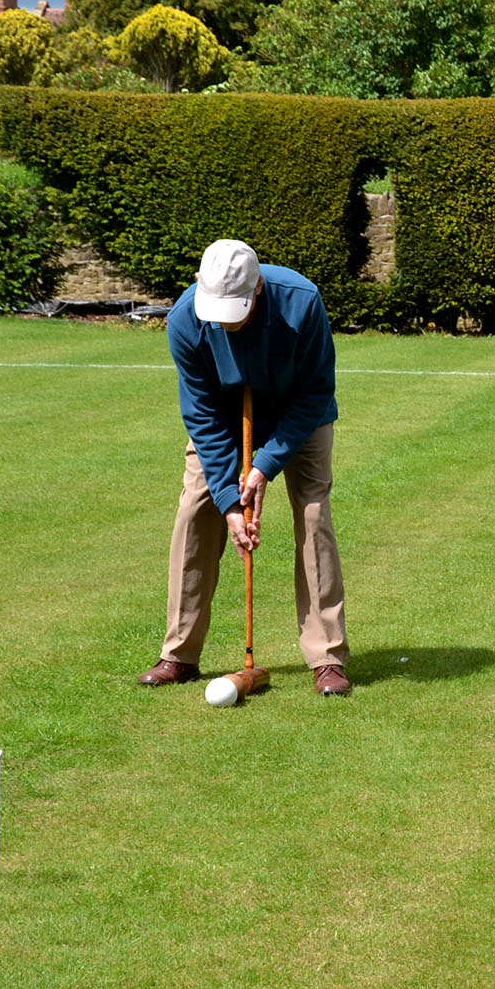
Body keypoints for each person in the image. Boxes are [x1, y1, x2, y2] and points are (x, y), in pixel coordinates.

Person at [139, 239, 351, 695]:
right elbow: (201, 416)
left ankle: (327, 656)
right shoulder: (184, 319)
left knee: (313, 512)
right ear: (199, 286)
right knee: (197, 506)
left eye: (236, 310)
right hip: (224, 415)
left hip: (300, 412)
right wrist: (231, 504)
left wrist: (264, 466)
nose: (226, 324)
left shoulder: (301, 303)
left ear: (258, 288)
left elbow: (315, 392)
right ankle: (179, 654)